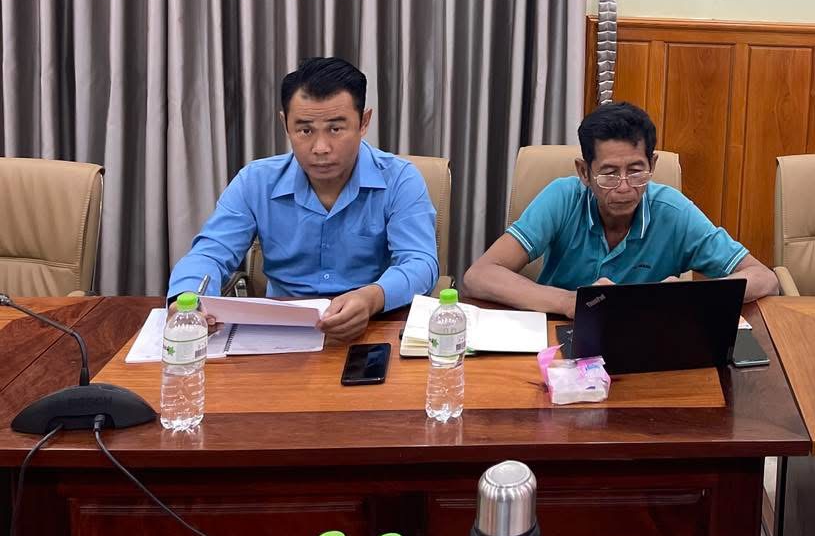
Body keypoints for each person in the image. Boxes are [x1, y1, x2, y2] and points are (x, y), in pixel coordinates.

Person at [166, 57, 438, 342]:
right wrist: (187, 300)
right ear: (285, 124)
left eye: (335, 129)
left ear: (364, 122)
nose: (320, 148)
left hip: (372, 327)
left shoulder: (400, 179)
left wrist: (372, 297)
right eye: (305, 130)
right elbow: (210, 253)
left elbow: (420, 262)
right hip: (281, 332)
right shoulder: (255, 182)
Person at [464, 102, 779, 317]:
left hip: (647, 343)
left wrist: (688, 296)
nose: (625, 187)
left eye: (636, 171)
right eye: (609, 173)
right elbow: (480, 275)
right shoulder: (562, 198)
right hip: (559, 335)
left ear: (652, 164)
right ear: (584, 172)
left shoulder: (673, 211)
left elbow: (763, 278)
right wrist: (572, 302)